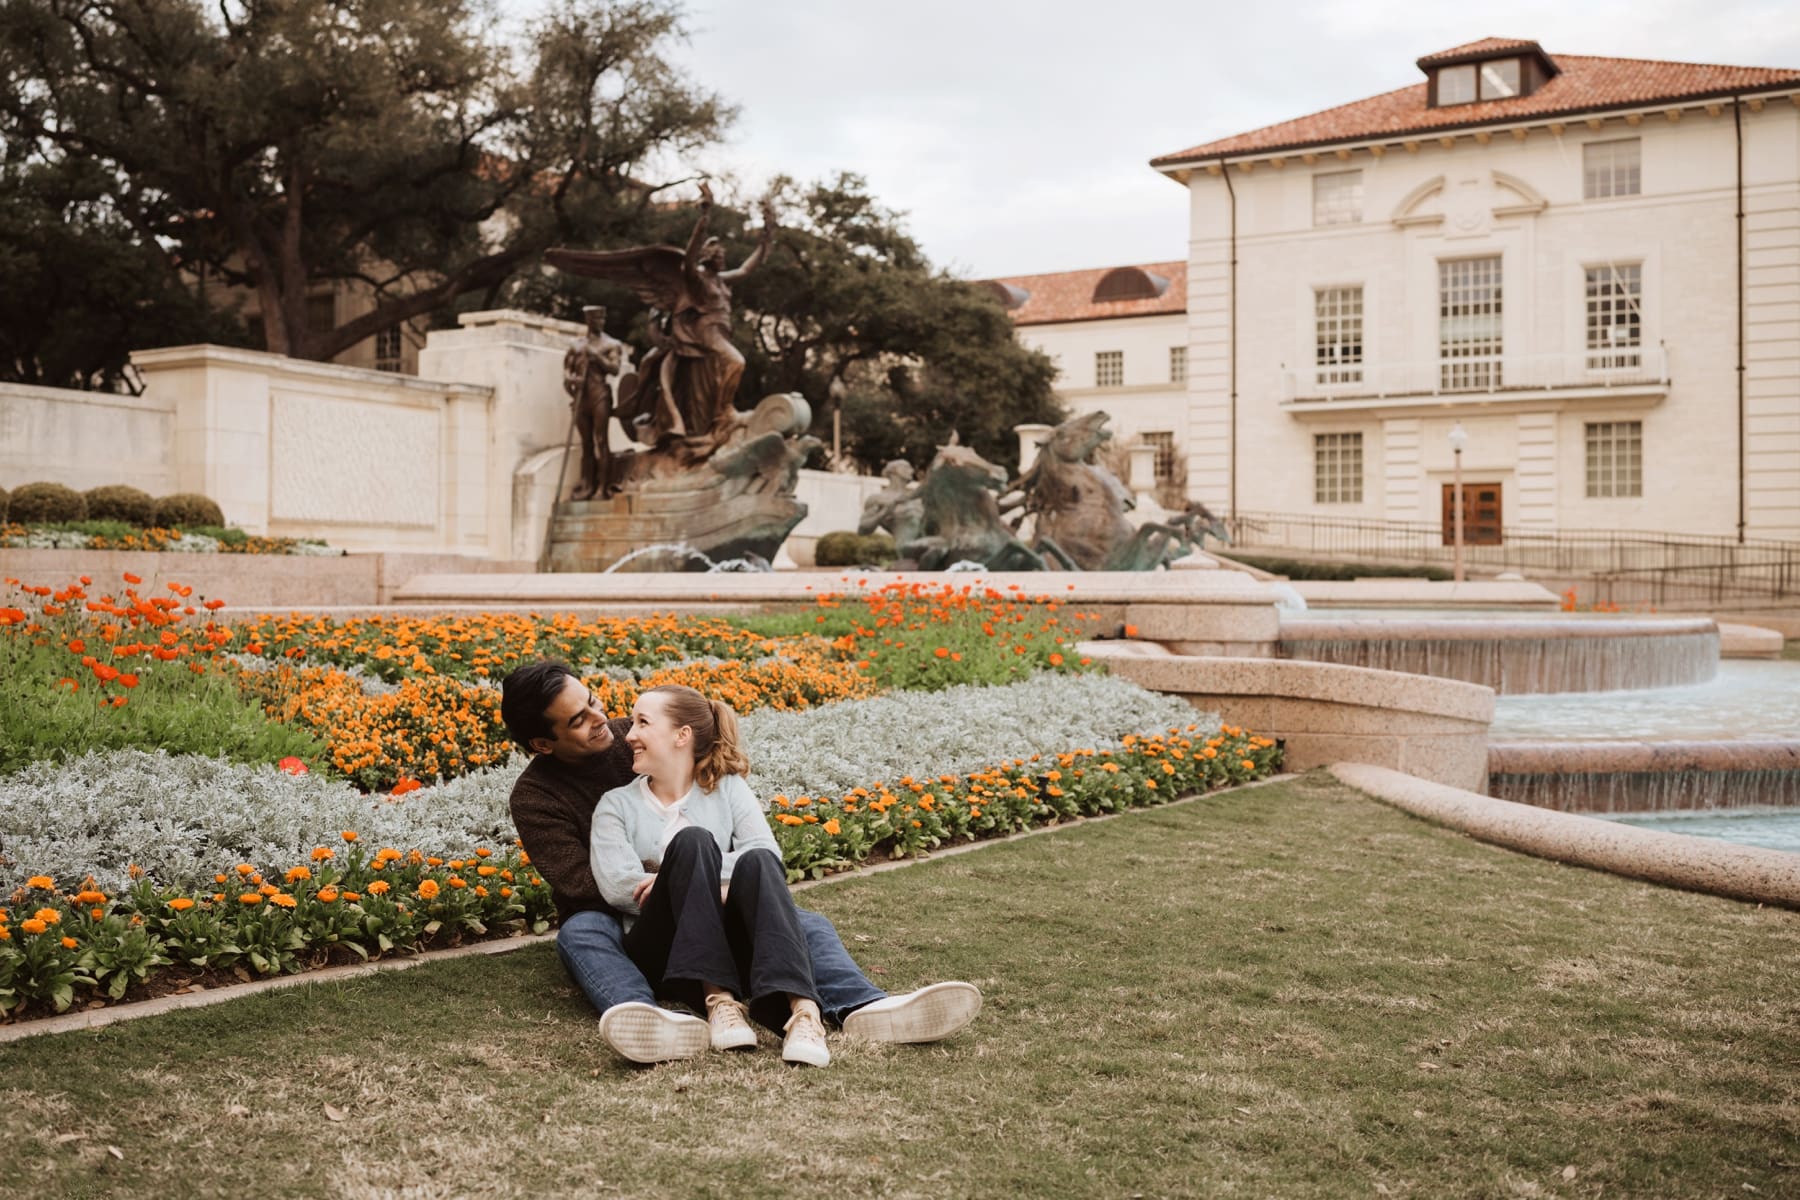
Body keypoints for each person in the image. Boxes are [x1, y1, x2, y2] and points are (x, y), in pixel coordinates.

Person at [501, 660, 980, 1065]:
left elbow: (752, 842)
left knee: (803, 922)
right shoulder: (538, 795)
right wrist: (677, 882)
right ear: (544, 743)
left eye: (593, 701)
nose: (605, 720)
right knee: (582, 931)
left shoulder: (639, 737)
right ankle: (644, 1016)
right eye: (579, 720)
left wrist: (711, 883)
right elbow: (581, 880)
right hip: (627, 921)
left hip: (713, 905)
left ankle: (867, 1007)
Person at [591, 685, 827, 1064]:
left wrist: (687, 880)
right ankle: (719, 1003)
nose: (629, 734)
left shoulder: (728, 788)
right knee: (693, 842)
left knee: (758, 863)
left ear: (682, 736)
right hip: (661, 949)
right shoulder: (615, 805)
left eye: (642, 723)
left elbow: (766, 854)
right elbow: (620, 886)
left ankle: (804, 1016)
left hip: (731, 945)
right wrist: (683, 874)